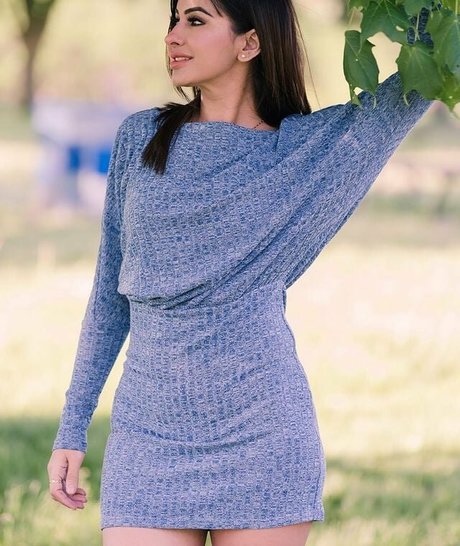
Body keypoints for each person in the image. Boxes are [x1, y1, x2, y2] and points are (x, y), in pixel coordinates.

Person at [47, 0, 435, 544]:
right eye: (174, 19)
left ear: (249, 43)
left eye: (196, 20)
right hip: (147, 436)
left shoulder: (303, 149)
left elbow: (432, 56)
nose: (173, 35)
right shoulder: (141, 138)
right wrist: (72, 426)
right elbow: (110, 294)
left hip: (263, 437)